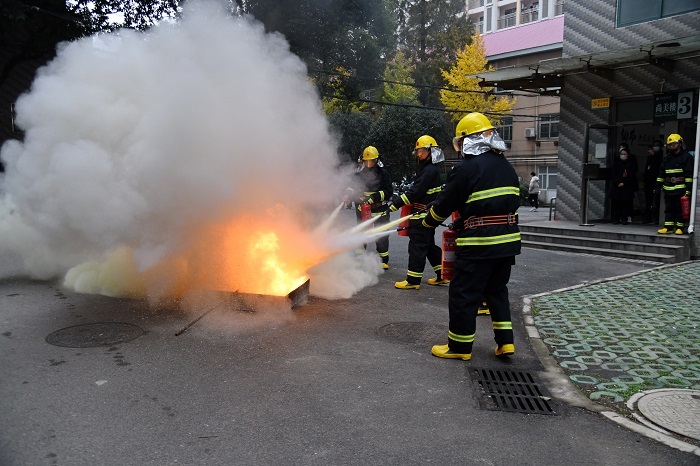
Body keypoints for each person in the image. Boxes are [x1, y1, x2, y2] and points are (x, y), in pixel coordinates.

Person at [423, 112, 521, 361]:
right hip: (507, 243)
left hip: (479, 244)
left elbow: (446, 202)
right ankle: (506, 343)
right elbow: (490, 205)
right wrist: (461, 221)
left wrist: (428, 222)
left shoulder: (467, 168)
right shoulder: (506, 166)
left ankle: (459, 347)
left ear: (468, 140)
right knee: (496, 291)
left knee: (463, 293)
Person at [387, 135, 446, 289]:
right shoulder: (430, 169)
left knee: (417, 247)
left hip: (421, 216)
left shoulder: (429, 170)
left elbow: (415, 192)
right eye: (418, 151)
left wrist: (396, 203)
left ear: (430, 151)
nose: (418, 154)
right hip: (426, 215)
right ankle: (442, 274)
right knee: (428, 246)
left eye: (421, 151)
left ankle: (413, 281)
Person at [348, 146, 393, 268]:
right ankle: (360, 258)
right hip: (362, 210)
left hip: (380, 209)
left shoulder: (384, 175)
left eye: (372, 161)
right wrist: (348, 195)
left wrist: (373, 198)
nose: (369, 164)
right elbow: (351, 189)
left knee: (381, 234)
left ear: (377, 160)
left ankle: (382, 260)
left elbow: (388, 191)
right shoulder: (358, 175)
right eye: (367, 161)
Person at [656, 134, 693, 235]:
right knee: (669, 208)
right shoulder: (667, 158)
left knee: (680, 209)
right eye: (669, 145)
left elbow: (689, 175)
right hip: (668, 188)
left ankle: (679, 227)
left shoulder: (687, 157)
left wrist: (688, 190)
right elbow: (661, 174)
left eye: (673, 144)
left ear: (679, 144)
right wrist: (658, 186)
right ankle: (668, 227)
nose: (671, 146)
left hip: (681, 188)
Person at [609, 148, 638, 224]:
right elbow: (613, 174)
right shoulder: (616, 162)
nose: (623, 155)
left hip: (627, 186)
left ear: (628, 155)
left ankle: (624, 218)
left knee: (626, 203)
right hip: (617, 186)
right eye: (621, 154)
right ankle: (616, 218)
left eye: (624, 154)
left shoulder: (631, 163)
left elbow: (632, 175)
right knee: (616, 203)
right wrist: (618, 182)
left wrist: (624, 182)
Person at [642, 140, 663, 224]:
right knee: (648, 201)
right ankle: (648, 217)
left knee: (657, 201)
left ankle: (657, 218)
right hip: (649, 182)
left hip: (657, 182)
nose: (655, 147)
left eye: (657, 145)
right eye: (654, 145)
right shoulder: (649, 157)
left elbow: (658, 166)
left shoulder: (661, 155)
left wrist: (653, 154)